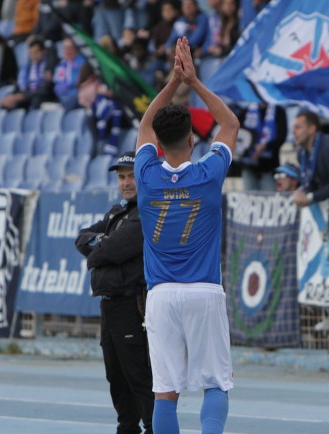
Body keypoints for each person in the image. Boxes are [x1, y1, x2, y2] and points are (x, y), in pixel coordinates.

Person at [134, 37, 239, 434]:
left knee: (165, 392)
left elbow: (146, 123)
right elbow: (229, 123)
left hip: (160, 296)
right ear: (193, 139)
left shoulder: (146, 174)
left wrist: (172, 83)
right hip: (204, 292)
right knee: (215, 385)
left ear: (157, 146)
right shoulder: (209, 173)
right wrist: (193, 82)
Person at [75, 151, 154, 434]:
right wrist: (102, 245)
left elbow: (107, 250)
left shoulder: (146, 210)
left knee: (139, 379)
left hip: (132, 306)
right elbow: (82, 237)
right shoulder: (117, 210)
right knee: (117, 381)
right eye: (121, 177)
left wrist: (98, 249)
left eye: (131, 175)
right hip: (110, 306)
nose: (126, 182)